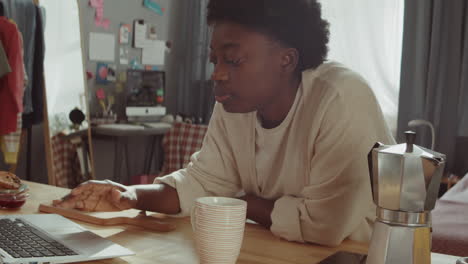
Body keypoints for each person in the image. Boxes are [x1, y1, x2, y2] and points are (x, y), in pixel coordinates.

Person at [54, 0, 394, 246]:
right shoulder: (235, 105)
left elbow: (323, 226)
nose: (216, 74)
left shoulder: (339, 98)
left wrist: (239, 201)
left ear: (286, 60)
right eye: (214, 59)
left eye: (233, 60)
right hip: (279, 248)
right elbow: (203, 182)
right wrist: (128, 195)